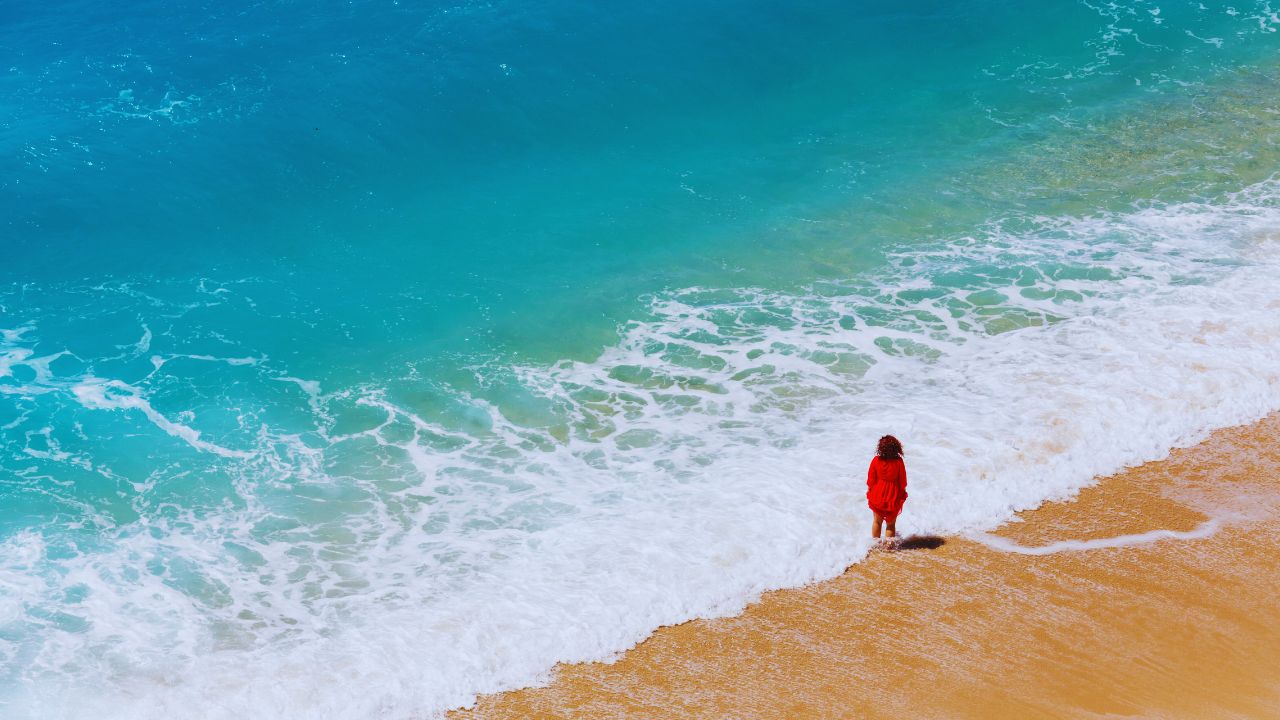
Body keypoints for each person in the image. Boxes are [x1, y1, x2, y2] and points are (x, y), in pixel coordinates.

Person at [867, 435, 907, 540]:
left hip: (878, 494)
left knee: (877, 521)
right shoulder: (898, 462)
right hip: (893, 495)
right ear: (896, 448)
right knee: (891, 524)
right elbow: (902, 481)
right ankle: (889, 549)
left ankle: (875, 545)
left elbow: (871, 479)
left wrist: (871, 490)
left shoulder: (876, 460)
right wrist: (902, 492)